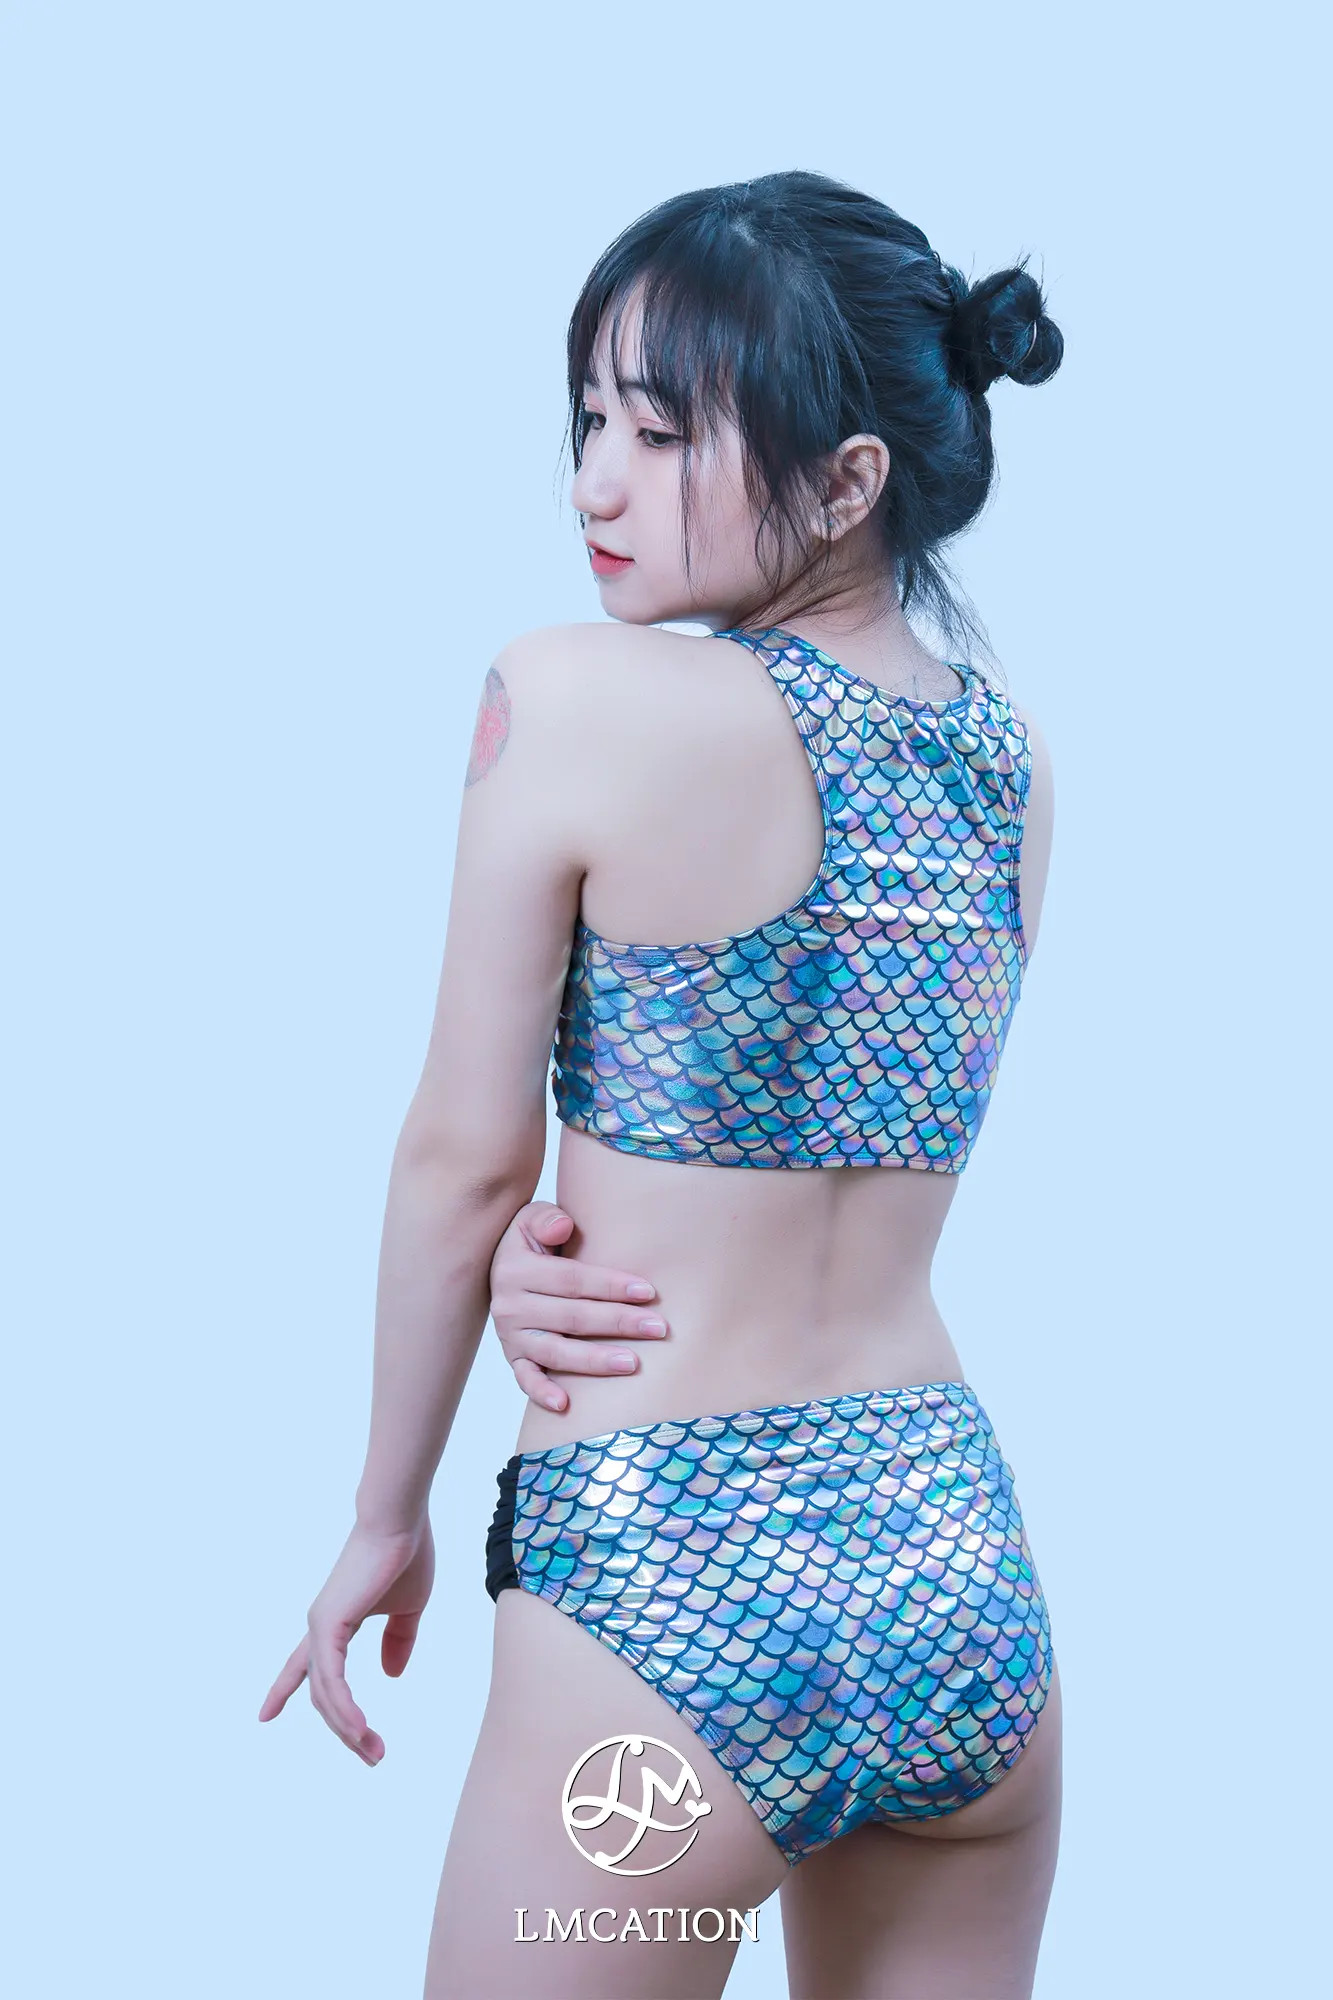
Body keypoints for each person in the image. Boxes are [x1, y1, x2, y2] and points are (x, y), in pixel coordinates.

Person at [260, 169, 1065, 2000]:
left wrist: (385, 1515)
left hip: (662, 1589)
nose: (591, 484)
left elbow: (462, 1162)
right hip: (954, 1574)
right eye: (588, 422)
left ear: (847, 481)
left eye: (660, 430)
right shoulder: (1012, 767)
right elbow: (821, 1117)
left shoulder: (574, 700)